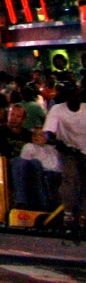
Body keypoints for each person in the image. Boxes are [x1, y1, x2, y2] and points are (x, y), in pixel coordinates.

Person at [46, 83, 86, 226]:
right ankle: (68, 213)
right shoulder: (57, 110)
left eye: (78, 95)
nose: (75, 99)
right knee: (71, 177)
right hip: (67, 150)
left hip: (84, 151)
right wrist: (57, 142)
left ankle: (83, 213)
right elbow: (49, 132)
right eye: (71, 96)